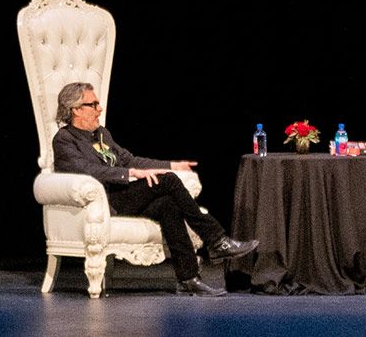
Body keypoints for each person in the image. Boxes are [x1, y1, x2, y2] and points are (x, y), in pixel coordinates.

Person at [50, 82, 258, 296]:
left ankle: (188, 278)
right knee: (167, 181)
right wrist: (130, 174)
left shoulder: (102, 134)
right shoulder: (64, 139)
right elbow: (86, 169)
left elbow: (130, 159)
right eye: (93, 104)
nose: (99, 109)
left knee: (168, 205)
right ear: (76, 109)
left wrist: (171, 165)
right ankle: (217, 240)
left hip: (123, 193)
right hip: (105, 199)